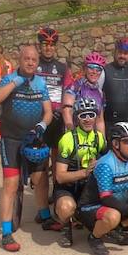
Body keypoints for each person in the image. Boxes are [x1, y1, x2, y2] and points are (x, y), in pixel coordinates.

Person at [0, 42, 53, 250]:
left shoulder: (40, 83)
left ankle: (45, 216)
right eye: (27, 59)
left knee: (40, 179)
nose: (30, 63)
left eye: (34, 60)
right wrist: (15, 82)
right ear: (20, 59)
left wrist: (42, 126)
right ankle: (6, 233)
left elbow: (48, 111)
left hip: (33, 137)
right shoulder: (9, 79)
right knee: (11, 183)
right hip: (11, 139)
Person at [73, 122, 128, 255]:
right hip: (91, 207)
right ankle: (94, 237)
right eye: (127, 141)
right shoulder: (105, 164)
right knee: (114, 216)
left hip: (114, 204)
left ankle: (113, 229)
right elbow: (105, 197)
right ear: (116, 144)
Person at [50, 98, 105, 234]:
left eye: (91, 115)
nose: (88, 119)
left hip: (87, 188)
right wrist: (84, 173)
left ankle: (81, 218)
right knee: (66, 207)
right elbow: (60, 177)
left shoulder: (99, 138)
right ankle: (65, 225)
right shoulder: (67, 139)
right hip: (68, 187)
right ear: (76, 118)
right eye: (83, 115)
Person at [34, 26, 72, 147]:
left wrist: (65, 113)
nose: (48, 48)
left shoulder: (62, 68)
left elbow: (68, 92)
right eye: (45, 44)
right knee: (37, 153)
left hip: (56, 117)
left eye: (51, 45)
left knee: (57, 151)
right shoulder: (33, 65)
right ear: (39, 46)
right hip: (36, 116)